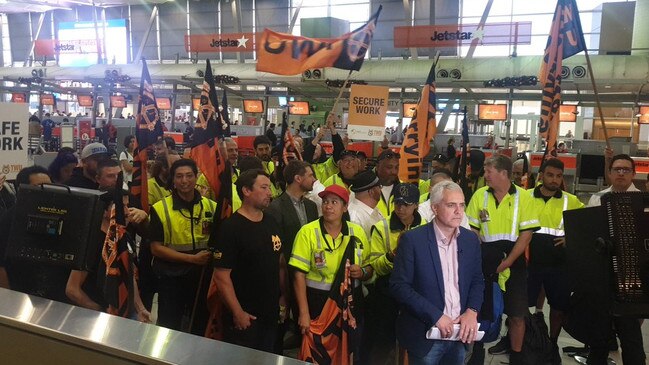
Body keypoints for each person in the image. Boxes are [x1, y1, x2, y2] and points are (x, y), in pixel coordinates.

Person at [390, 181, 484, 365]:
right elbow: (399, 286)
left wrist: (472, 311)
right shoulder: (413, 240)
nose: (459, 211)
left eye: (461, 205)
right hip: (426, 335)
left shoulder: (470, 240)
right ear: (434, 208)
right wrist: (436, 316)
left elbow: (477, 280)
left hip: (460, 335)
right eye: (451, 205)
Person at [465, 154, 540, 365]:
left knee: (517, 314)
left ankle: (517, 356)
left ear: (503, 173)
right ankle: (477, 352)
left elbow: (527, 235)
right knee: (480, 311)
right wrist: (486, 256)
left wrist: (507, 262)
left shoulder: (524, 197)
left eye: (489, 171)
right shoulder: (480, 195)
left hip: (514, 261)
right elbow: (472, 230)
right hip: (485, 261)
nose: (485, 175)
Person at [289, 185, 371, 363]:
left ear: (345, 207)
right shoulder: (307, 232)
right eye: (325, 202)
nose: (328, 206)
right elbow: (298, 275)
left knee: (348, 350)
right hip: (318, 303)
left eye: (334, 202)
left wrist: (363, 272)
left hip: (350, 303)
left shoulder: (356, 233)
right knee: (316, 350)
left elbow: (370, 267)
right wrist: (303, 313)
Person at [213, 169, 287, 353]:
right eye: (264, 187)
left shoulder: (271, 222)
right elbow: (221, 276)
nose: (270, 193)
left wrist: (284, 297)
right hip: (246, 316)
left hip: (270, 312)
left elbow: (280, 262)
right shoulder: (231, 228)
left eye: (269, 188)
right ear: (246, 191)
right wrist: (238, 312)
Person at [585, 154, 646, 365]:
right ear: (609, 173)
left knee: (631, 338)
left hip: (632, 277)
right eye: (617, 169)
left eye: (626, 169)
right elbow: (588, 234)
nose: (621, 173)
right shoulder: (597, 199)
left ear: (633, 174)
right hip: (603, 276)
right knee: (599, 337)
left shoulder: (644, 201)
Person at [524, 158, 584, 363]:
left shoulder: (571, 200)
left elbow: (585, 226)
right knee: (523, 307)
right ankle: (527, 342)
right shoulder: (525, 198)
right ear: (541, 175)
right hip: (530, 263)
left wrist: (571, 239)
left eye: (559, 176)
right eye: (550, 175)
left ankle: (551, 344)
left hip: (559, 265)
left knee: (558, 308)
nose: (555, 180)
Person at [148, 159, 216, 335]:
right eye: (179, 176)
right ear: (173, 179)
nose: (184, 181)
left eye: (189, 176)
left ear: (196, 177)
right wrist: (192, 259)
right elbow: (156, 248)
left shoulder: (211, 206)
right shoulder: (160, 209)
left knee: (200, 325)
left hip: (202, 279)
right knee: (169, 327)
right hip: (172, 278)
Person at [65, 188, 151, 323]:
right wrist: (100, 312)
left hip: (125, 313)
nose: (128, 212)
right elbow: (72, 290)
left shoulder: (123, 236)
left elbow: (128, 275)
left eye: (127, 206)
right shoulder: (91, 242)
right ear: (105, 211)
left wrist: (140, 309)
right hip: (97, 318)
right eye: (121, 207)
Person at [363, 182, 425, 363]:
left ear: (416, 205)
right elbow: (375, 267)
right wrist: (394, 254)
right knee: (383, 343)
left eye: (406, 204)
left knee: (413, 343)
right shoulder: (382, 228)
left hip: (416, 291)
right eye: (397, 203)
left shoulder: (427, 229)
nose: (401, 208)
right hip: (387, 292)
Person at [347, 170, 384, 239]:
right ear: (372, 192)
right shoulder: (354, 219)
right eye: (379, 186)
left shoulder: (375, 210)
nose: (381, 189)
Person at [375, 149, 400, 218]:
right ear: (377, 167)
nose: (394, 172)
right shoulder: (364, 189)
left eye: (397, 167)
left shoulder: (403, 189)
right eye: (389, 167)